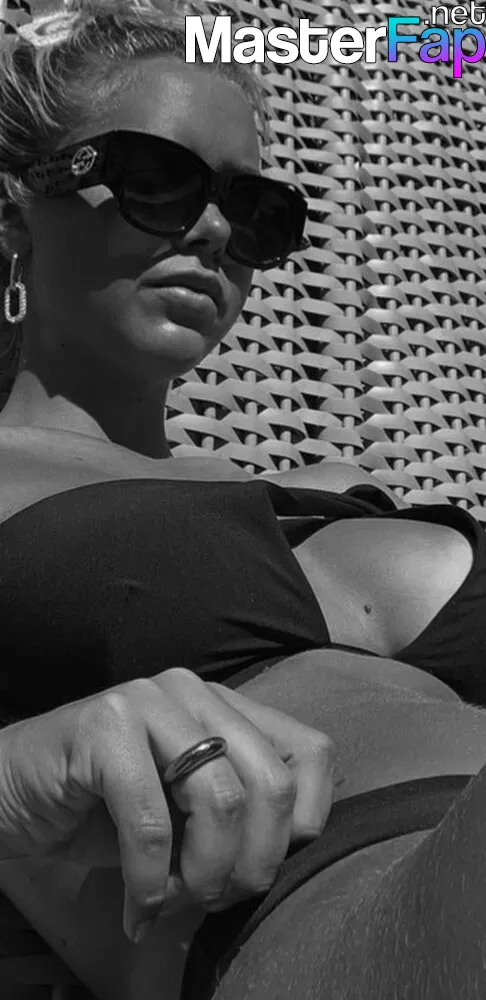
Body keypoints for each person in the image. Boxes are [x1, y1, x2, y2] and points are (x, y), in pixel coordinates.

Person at [0, 2, 484, 998]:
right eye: (157, 179)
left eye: (256, 210)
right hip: (334, 916)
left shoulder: (340, 486)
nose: (217, 231)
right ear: (15, 219)